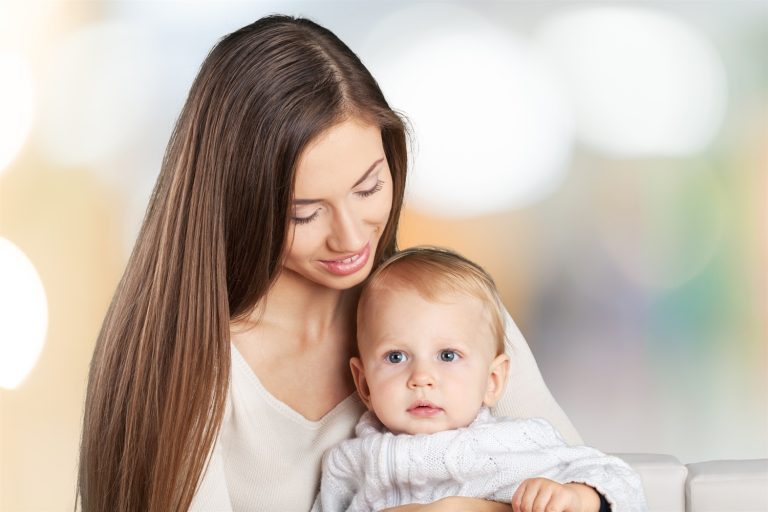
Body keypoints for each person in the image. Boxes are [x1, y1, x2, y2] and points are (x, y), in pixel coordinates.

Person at [78, 14, 583, 512]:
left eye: (368, 187)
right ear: (237, 205)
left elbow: (587, 481)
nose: (349, 237)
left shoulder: (446, 310)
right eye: (305, 213)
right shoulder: (193, 367)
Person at [312, 247, 646, 512]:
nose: (422, 378)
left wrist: (575, 497)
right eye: (396, 357)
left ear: (492, 380)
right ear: (365, 383)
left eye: (447, 356)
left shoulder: (514, 443)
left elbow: (623, 484)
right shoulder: (348, 463)